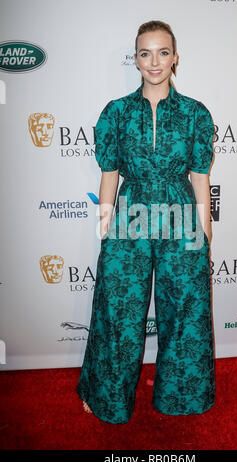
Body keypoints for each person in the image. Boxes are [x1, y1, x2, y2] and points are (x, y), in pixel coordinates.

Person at [76, 20, 216, 424]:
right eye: (145, 53)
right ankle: (106, 397)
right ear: (135, 58)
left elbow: (200, 179)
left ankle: (183, 397)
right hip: (130, 216)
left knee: (186, 310)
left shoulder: (195, 113)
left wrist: (205, 235)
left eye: (163, 52)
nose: (154, 62)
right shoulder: (116, 113)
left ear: (175, 58)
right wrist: (105, 228)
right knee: (117, 312)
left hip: (181, 217)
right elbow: (109, 175)